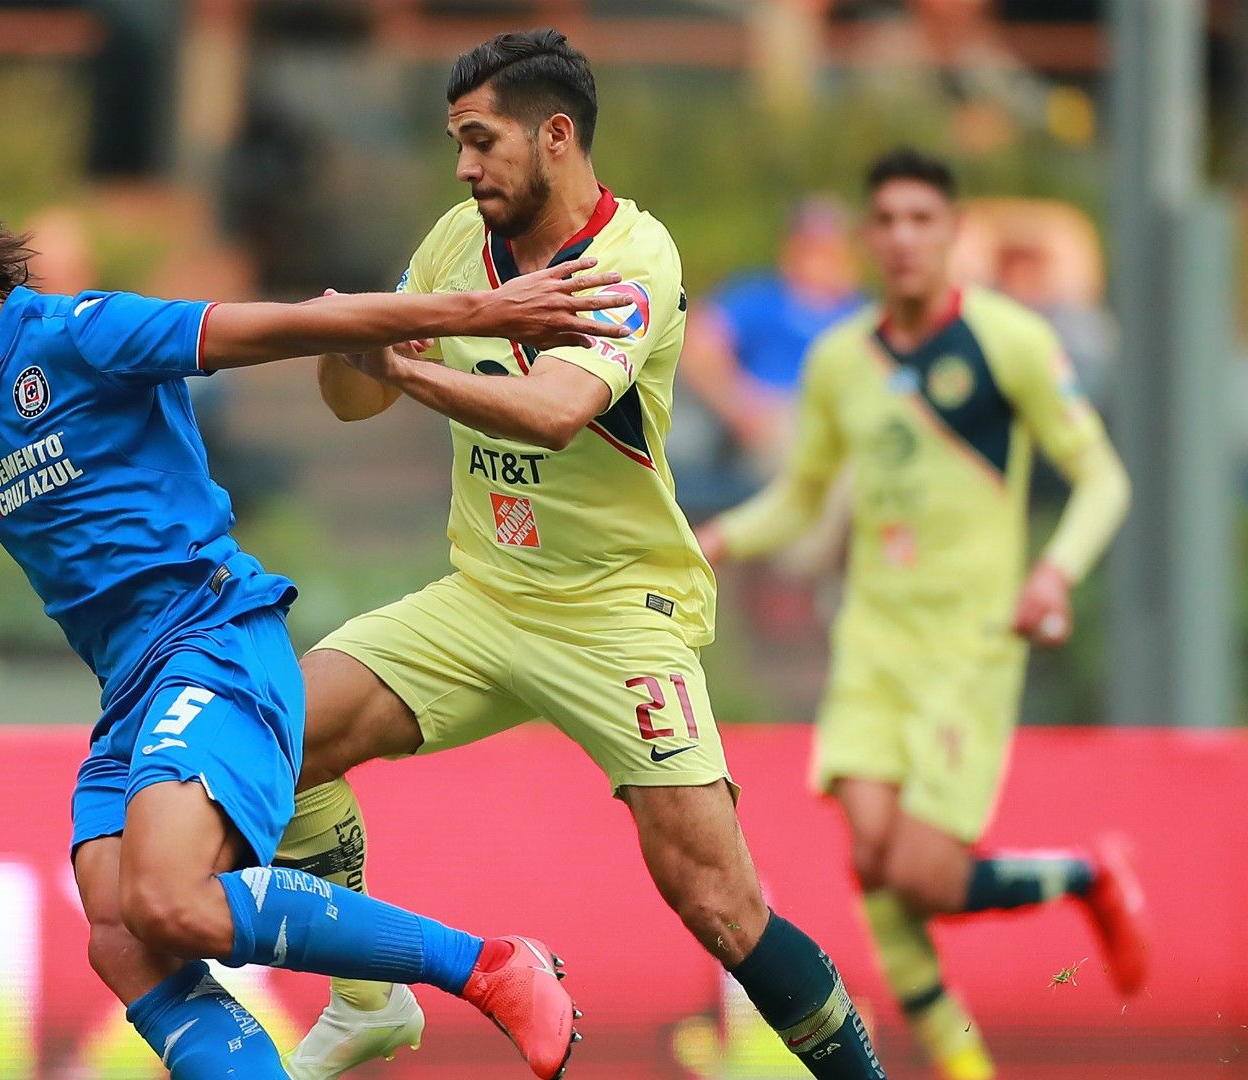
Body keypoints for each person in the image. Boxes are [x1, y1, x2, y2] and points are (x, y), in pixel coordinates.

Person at [0, 191, 638, 1079]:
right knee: (121, 934)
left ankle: (487, 966)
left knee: (171, 899)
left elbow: (276, 329)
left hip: (214, 641)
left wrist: (483, 307)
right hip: (131, 690)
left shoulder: (78, 334)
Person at [279, 30, 885, 1080]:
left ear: (556, 137)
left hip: (619, 610)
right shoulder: (453, 240)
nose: (464, 167)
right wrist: (357, 349)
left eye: (481, 141)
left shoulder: (633, 257)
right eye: (456, 144)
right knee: (277, 739)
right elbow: (353, 403)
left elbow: (558, 413)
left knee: (718, 900)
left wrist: (411, 368)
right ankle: (367, 1006)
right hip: (484, 596)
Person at [695, 149, 1146, 1080]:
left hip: (972, 647)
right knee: (870, 856)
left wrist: (1054, 573)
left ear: (951, 231)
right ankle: (961, 1064)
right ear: (868, 238)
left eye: (922, 220)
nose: (903, 238)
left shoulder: (1009, 342)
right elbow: (802, 494)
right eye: (887, 221)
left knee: (922, 876)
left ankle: (1089, 874)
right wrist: (720, 539)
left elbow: (1104, 477)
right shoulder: (838, 362)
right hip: (871, 644)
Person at [682, 196, 864, 463]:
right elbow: (699, 347)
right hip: (770, 417)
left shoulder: (862, 314)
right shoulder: (760, 298)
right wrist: (738, 405)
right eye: (814, 249)